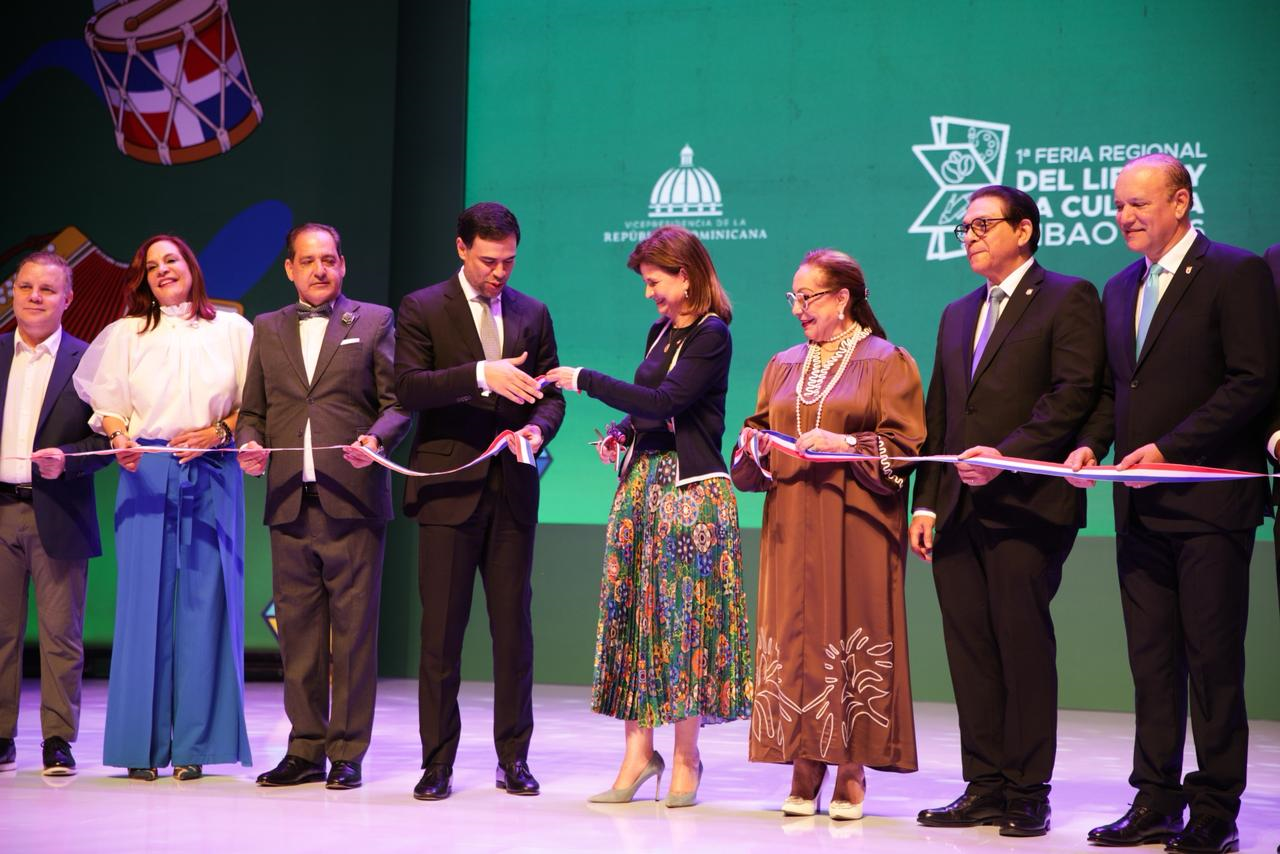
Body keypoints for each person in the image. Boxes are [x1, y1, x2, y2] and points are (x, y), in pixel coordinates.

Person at [1066, 155, 1278, 853]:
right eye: (1119, 204)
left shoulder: (1236, 272)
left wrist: (1170, 448)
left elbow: (1252, 381)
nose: (1124, 216)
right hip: (1138, 505)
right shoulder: (1120, 286)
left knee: (1212, 660)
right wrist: (1092, 445)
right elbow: (1111, 391)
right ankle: (1155, 800)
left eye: (1138, 203)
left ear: (1182, 201)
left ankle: (1216, 806)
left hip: (1211, 505)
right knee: (1152, 661)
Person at [908, 186, 1105, 837]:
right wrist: (928, 504)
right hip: (958, 507)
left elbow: (1072, 392)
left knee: (1020, 644)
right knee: (970, 648)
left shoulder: (1067, 296)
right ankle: (985, 784)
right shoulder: (957, 312)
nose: (970, 236)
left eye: (983, 224)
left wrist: (1009, 455)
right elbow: (941, 415)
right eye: (964, 226)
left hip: (1027, 503)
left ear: (1023, 230)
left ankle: (1028, 789)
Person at [545, 225, 752, 808]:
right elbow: (650, 415)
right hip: (641, 490)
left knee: (682, 625)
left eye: (655, 282)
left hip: (691, 497)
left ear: (685, 276)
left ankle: (687, 756)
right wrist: (621, 432)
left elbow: (667, 403)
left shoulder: (713, 336)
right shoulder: (660, 330)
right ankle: (639, 754)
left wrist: (584, 380)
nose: (649, 294)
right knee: (635, 616)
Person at [731, 248, 924, 821]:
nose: (798, 308)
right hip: (792, 517)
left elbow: (909, 447)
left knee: (850, 627)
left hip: (854, 519)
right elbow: (758, 427)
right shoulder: (783, 363)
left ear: (843, 299)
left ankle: (850, 767)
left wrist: (847, 445)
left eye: (808, 297)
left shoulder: (888, 362)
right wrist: (755, 443)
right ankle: (803, 761)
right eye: (793, 297)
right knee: (795, 634)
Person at [395, 202, 565, 801]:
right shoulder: (421, 307)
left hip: (512, 492)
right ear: (461, 249)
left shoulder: (532, 312)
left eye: (509, 261)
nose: (500, 273)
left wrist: (537, 430)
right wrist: (479, 375)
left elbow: (550, 394)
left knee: (513, 634)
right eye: (489, 261)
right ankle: (437, 762)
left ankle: (513, 758)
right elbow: (409, 387)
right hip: (447, 491)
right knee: (441, 636)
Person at [73, 234, 254, 781]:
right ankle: (139, 746)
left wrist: (220, 429)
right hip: (146, 472)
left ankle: (196, 745)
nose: (162, 271)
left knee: (207, 603)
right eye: (151, 266)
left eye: (170, 260)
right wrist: (118, 431)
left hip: (214, 467)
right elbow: (107, 406)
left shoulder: (233, 329)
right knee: (142, 606)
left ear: (191, 266)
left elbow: (258, 404)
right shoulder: (126, 334)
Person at [238, 223, 410, 791]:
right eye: (308, 260)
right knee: (299, 637)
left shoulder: (375, 320)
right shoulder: (266, 328)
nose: (319, 270)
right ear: (289, 268)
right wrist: (249, 444)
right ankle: (305, 748)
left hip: (353, 501)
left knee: (354, 635)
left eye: (329, 260)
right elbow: (253, 411)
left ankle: (348, 751)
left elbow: (397, 403)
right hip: (289, 502)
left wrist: (378, 441)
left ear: (342, 265)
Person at [0, 252, 110, 776]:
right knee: (0, 633)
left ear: (68, 299)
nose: (35, 297)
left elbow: (109, 442)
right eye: (26, 287)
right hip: (1, 510)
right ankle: (1, 736)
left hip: (58, 512)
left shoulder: (88, 363)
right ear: (12, 293)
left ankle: (58, 740)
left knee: (61, 636)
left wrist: (67, 461)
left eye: (48, 289)